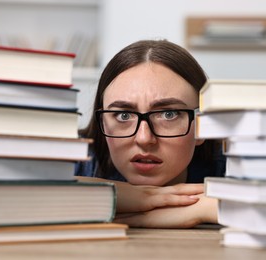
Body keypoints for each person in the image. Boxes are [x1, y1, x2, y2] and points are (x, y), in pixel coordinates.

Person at [75, 39, 225, 228]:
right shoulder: (73, 157)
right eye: (123, 115)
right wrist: (110, 194)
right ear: (103, 123)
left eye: (168, 114)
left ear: (202, 126)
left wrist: (207, 208)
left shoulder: (234, 165)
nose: (144, 139)